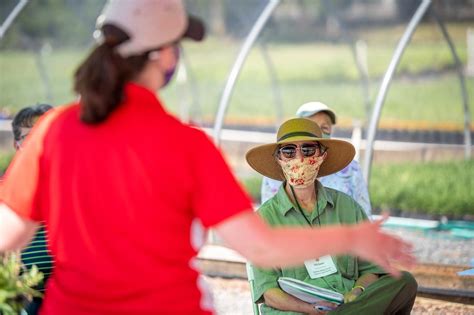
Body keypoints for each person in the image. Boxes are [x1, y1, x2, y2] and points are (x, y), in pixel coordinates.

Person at [0, 1, 414, 314]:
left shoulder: (52, 133)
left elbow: (6, 238)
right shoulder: (186, 144)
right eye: (177, 46)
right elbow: (262, 247)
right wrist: (353, 236)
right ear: (164, 56)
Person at [247, 118, 418, 314]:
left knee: (404, 282)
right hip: (298, 312)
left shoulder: (347, 207)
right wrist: (311, 309)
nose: (299, 158)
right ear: (279, 159)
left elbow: (371, 269)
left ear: (322, 155)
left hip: (348, 304)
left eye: (308, 150)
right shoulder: (263, 220)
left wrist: (357, 290)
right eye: (289, 151)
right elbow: (268, 292)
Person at [262, 102, 372, 217]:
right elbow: (269, 215)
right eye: (289, 151)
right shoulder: (271, 180)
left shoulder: (351, 170)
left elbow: (365, 215)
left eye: (325, 128)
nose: (299, 157)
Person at [11, 104, 54, 315]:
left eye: (44, 134)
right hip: (26, 296)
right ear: (16, 145)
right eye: (29, 138)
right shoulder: (6, 192)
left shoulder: (75, 187)